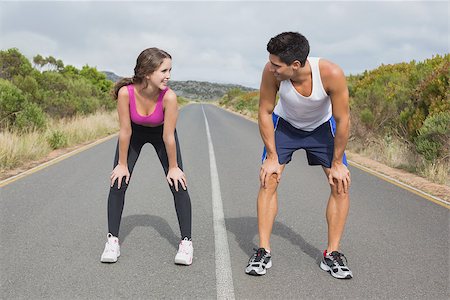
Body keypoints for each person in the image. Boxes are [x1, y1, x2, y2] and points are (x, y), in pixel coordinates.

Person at [245, 32, 353, 279]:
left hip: (321, 129)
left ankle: (332, 254)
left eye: (276, 65)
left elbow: (342, 119)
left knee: (341, 184)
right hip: (285, 125)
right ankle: (263, 250)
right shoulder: (271, 73)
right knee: (268, 178)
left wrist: (337, 163)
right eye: (270, 62)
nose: (271, 68)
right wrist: (272, 157)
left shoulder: (331, 73)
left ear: (295, 65)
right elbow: (264, 112)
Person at [100, 48, 193, 265]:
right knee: (118, 181)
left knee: (178, 183)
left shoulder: (169, 97)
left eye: (170, 70)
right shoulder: (126, 93)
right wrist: (122, 164)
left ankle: (186, 243)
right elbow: (125, 131)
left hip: (162, 135)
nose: (168, 76)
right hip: (134, 133)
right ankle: (112, 241)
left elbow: (169, 136)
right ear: (147, 72)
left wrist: (173, 167)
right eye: (164, 71)